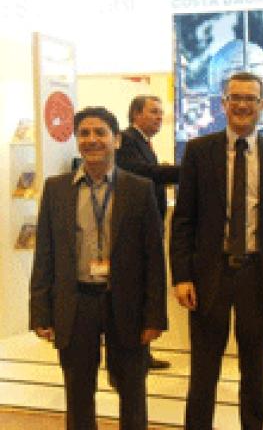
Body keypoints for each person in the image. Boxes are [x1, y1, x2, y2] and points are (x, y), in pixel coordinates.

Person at [170, 71, 263, 430]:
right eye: (235, 98)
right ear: (223, 103)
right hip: (209, 275)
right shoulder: (199, 152)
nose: (242, 105)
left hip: (260, 275)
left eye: (250, 99)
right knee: (203, 370)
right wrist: (181, 276)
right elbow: (184, 221)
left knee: (255, 369)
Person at [29, 106, 167, 429]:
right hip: (76, 303)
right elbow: (45, 253)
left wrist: (155, 316)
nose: (92, 140)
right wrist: (40, 311)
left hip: (126, 304)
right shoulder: (56, 189)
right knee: (78, 394)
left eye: (100, 133)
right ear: (77, 140)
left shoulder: (139, 189)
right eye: (84, 133)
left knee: (132, 392)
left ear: (116, 140)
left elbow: (153, 258)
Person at [116, 95, 179, 369]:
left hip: (150, 224)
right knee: (137, 290)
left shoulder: (143, 143)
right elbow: (143, 172)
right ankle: (134, 353)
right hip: (135, 228)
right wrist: (183, 171)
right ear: (136, 114)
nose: (159, 117)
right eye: (153, 112)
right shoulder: (127, 141)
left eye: (161, 112)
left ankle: (142, 352)